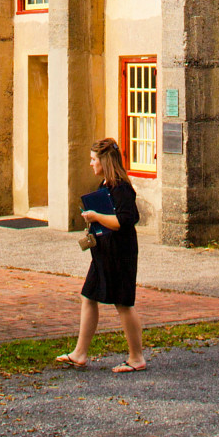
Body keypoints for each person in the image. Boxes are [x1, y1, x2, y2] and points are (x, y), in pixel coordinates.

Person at [56, 136, 146, 373]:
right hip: (103, 252)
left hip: (121, 252)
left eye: (93, 159)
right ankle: (79, 353)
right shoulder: (105, 186)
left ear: (105, 161)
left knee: (123, 303)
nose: (90, 163)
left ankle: (136, 357)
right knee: (88, 296)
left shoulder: (122, 188)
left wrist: (96, 216)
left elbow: (125, 220)